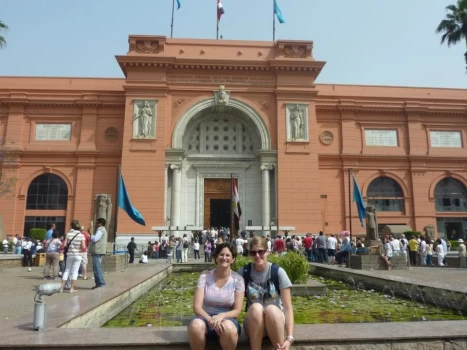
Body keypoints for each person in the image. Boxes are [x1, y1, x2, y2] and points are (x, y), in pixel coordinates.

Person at [238, 236, 294, 350]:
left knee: (271, 309)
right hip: (254, 323)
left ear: (267, 251)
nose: (257, 255)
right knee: (256, 308)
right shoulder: (244, 272)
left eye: (260, 251)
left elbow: (288, 308)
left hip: (275, 322)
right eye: (253, 252)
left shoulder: (278, 272)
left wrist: (289, 338)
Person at [187, 243, 244, 350]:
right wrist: (210, 319)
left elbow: (237, 311)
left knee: (228, 328)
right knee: (195, 326)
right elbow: (197, 307)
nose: (224, 258)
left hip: (227, 319)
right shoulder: (204, 277)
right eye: (221, 255)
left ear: (233, 259)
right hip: (205, 318)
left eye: (228, 255)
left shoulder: (238, 280)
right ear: (216, 258)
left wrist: (221, 316)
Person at [60, 220, 85, 293]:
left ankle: (61, 288)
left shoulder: (68, 234)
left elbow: (64, 245)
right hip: (78, 255)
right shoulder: (81, 235)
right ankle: (71, 288)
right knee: (75, 272)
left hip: (69, 254)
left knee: (67, 270)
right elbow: (83, 246)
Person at [89, 217, 107, 289]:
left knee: (97, 268)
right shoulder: (103, 230)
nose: (96, 224)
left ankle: (101, 283)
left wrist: (90, 234)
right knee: (98, 267)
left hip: (97, 250)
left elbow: (95, 239)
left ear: (100, 223)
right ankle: (99, 283)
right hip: (100, 250)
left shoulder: (100, 230)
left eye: (97, 223)